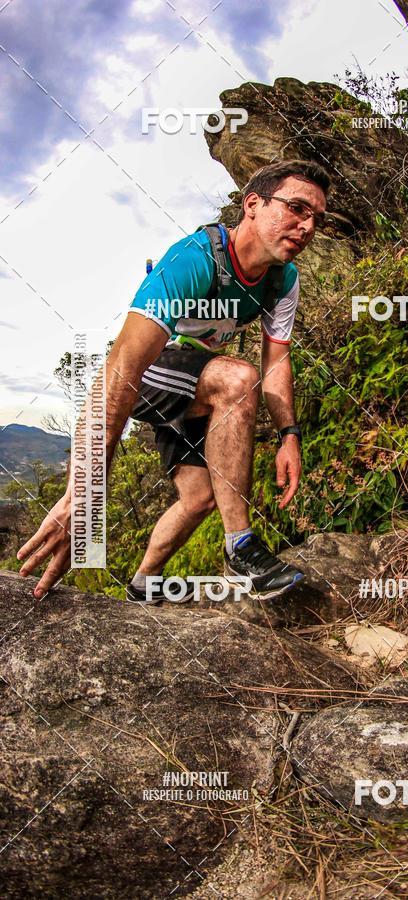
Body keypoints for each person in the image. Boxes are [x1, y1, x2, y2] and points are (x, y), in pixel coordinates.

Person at [17, 159, 330, 604]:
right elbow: (117, 375)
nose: (307, 225)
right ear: (253, 205)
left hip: (195, 383)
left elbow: (277, 361)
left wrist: (289, 435)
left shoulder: (283, 279)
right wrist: (81, 502)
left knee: (200, 497)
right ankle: (241, 546)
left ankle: (143, 583)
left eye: (317, 217)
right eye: (297, 208)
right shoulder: (193, 260)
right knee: (238, 378)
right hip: (151, 372)